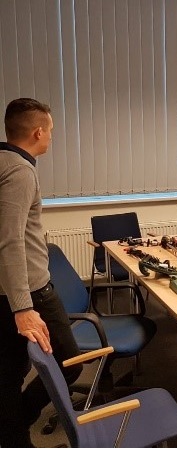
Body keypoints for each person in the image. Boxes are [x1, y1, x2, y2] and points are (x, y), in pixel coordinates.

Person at [0, 98, 82, 447]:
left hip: (11, 290)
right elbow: (10, 241)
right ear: (38, 132)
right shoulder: (19, 171)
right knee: (70, 362)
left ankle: (13, 433)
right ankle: (15, 423)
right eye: (50, 130)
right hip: (30, 293)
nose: (51, 136)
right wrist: (22, 308)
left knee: (8, 375)